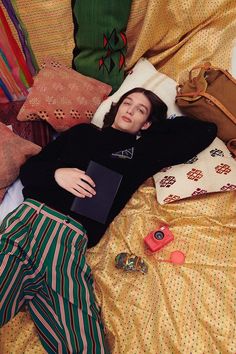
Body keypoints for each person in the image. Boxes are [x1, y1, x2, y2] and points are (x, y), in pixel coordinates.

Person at [0, 87, 217, 353]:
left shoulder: (141, 154)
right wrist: (58, 173)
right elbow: (31, 169)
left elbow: (205, 131)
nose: (130, 110)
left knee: (87, 345)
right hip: (29, 222)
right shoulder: (82, 133)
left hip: (68, 246)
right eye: (127, 103)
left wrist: (152, 131)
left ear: (146, 123)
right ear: (116, 107)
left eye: (141, 110)